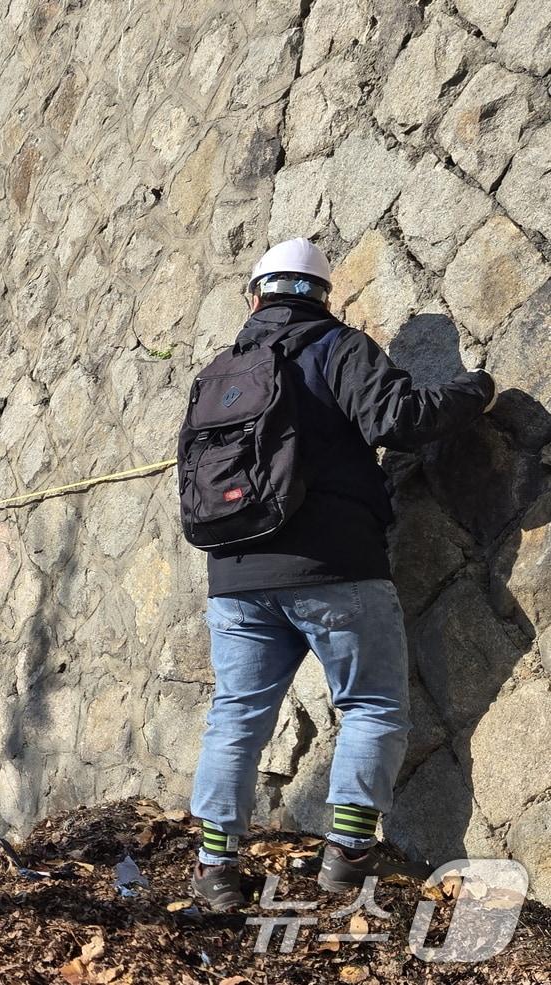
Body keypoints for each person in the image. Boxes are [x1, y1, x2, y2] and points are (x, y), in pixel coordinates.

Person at [181, 239, 497, 911]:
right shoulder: (338, 347)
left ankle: (215, 866)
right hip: (335, 567)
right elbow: (400, 419)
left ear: (254, 298)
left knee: (236, 715)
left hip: (234, 574)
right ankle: (347, 854)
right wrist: (477, 389)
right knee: (372, 705)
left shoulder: (217, 373)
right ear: (324, 296)